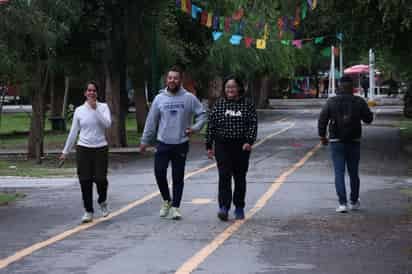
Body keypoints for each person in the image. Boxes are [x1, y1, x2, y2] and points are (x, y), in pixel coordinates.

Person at [139, 66, 207, 220]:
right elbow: (151, 121)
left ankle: (176, 207)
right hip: (163, 142)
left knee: (178, 177)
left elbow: (202, 114)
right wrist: (145, 141)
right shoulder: (159, 98)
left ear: (180, 80)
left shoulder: (189, 98)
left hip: (180, 143)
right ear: (166, 80)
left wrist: (194, 128)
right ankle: (167, 200)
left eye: (175, 78)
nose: (172, 80)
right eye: (170, 78)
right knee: (159, 172)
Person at [318, 76, 373, 213]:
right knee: (353, 172)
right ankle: (354, 201)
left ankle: (342, 204)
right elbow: (368, 119)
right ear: (352, 87)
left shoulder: (331, 102)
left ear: (339, 86)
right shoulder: (359, 101)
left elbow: (322, 119)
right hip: (354, 140)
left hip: (336, 141)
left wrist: (322, 136)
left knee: (339, 172)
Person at [206, 76, 258, 221]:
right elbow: (211, 125)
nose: (230, 89)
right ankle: (224, 207)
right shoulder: (219, 105)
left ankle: (239, 206)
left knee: (240, 177)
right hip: (222, 145)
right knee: (224, 176)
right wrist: (209, 145)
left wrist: (249, 141)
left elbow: (253, 124)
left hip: (241, 146)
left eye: (233, 87)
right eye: (228, 87)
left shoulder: (247, 105)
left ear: (239, 88)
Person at [59, 81, 112, 223]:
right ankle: (88, 211)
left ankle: (102, 201)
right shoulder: (79, 110)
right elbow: (73, 132)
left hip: (100, 148)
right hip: (83, 148)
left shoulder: (103, 107)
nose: (91, 93)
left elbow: (107, 124)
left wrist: (96, 110)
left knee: (101, 179)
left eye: (94, 90)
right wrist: (66, 151)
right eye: (89, 90)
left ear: (97, 93)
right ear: (85, 93)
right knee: (85, 180)